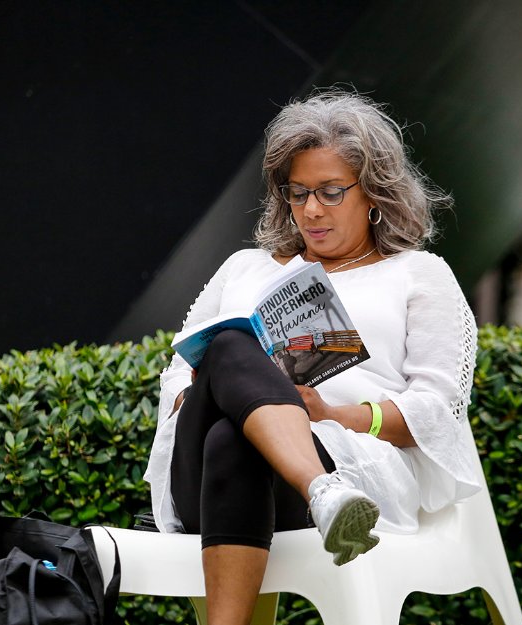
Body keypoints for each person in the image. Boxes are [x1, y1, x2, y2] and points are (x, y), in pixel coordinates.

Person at [143, 89, 481, 625]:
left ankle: (320, 490)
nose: (311, 210)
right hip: (202, 475)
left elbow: (438, 411)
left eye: (329, 191)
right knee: (230, 345)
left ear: (373, 191)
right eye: (298, 193)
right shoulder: (245, 268)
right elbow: (177, 373)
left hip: (350, 464)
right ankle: (320, 493)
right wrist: (217, 389)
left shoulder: (418, 274)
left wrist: (332, 413)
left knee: (234, 437)